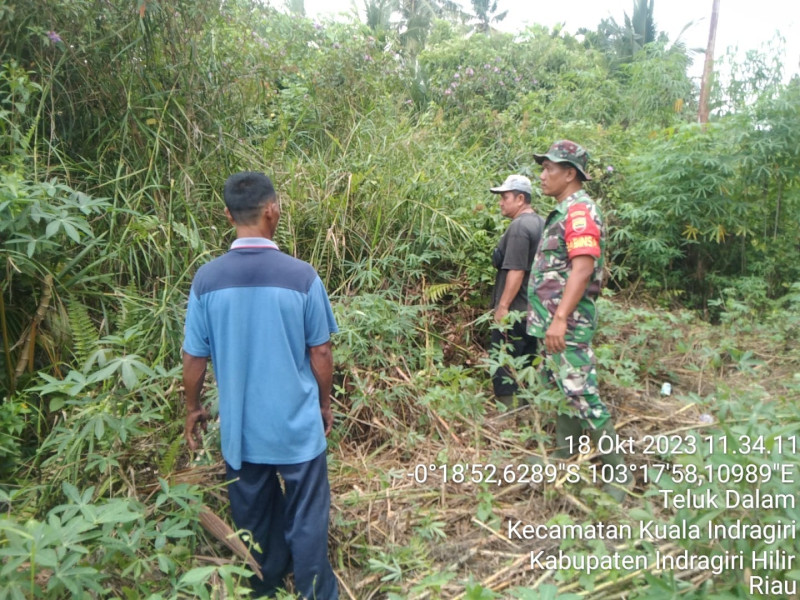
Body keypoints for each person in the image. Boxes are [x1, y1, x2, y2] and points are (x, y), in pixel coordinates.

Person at [182, 172, 339, 599]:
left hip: (241, 429)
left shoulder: (206, 280)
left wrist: (192, 407)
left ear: (228, 214)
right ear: (274, 210)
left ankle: (265, 583)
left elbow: (194, 357)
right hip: (296, 425)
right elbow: (320, 352)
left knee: (252, 512)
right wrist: (325, 404)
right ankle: (314, 591)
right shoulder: (301, 276)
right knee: (307, 512)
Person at [527, 141, 631, 500]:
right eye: (542, 169)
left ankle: (618, 475)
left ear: (570, 174)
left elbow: (583, 268)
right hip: (555, 323)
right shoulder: (564, 211)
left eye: (549, 169)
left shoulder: (580, 212)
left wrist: (559, 319)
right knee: (561, 389)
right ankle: (564, 461)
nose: (542, 176)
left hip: (566, 324)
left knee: (582, 392)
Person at [488, 174, 544, 407]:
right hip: (534, 308)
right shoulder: (541, 223)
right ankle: (526, 411)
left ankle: (508, 412)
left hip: (515, 310)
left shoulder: (520, 226)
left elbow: (517, 270)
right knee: (527, 360)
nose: (501, 202)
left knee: (505, 359)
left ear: (521, 198)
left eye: (505, 197)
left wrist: (502, 307)